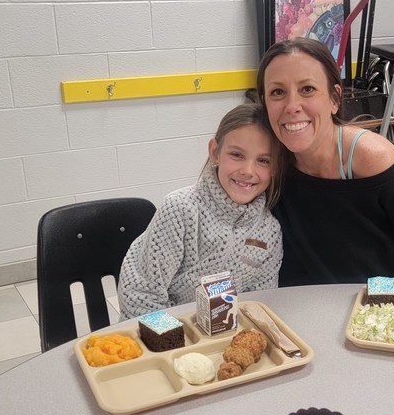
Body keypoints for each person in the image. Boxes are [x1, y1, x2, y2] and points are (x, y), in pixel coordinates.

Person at [256, 38, 394, 290]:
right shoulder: (270, 165)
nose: (292, 106)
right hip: (317, 305)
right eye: (277, 92)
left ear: (334, 99)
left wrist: (375, 316)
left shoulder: (373, 160)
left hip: (391, 308)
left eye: (307, 89)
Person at [118, 103, 283, 318]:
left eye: (263, 160)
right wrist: (175, 343)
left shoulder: (270, 231)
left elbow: (260, 305)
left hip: (223, 339)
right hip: (162, 338)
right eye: (237, 155)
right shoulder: (180, 209)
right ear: (215, 152)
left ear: (276, 168)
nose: (248, 171)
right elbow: (140, 293)